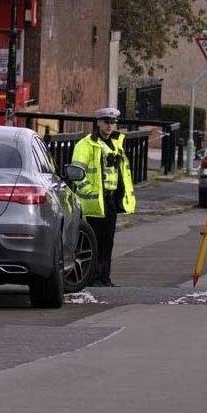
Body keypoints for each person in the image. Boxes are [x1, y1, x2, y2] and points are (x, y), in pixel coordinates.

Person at [71, 107, 136, 287]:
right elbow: (77, 173)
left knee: (107, 242)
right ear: (98, 122)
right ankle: (92, 278)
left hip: (110, 199)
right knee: (93, 242)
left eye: (113, 122)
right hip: (94, 201)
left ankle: (104, 277)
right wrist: (89, 191)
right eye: (106, 121)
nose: (109, 125)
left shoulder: (116, 144)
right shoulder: (86, 144)